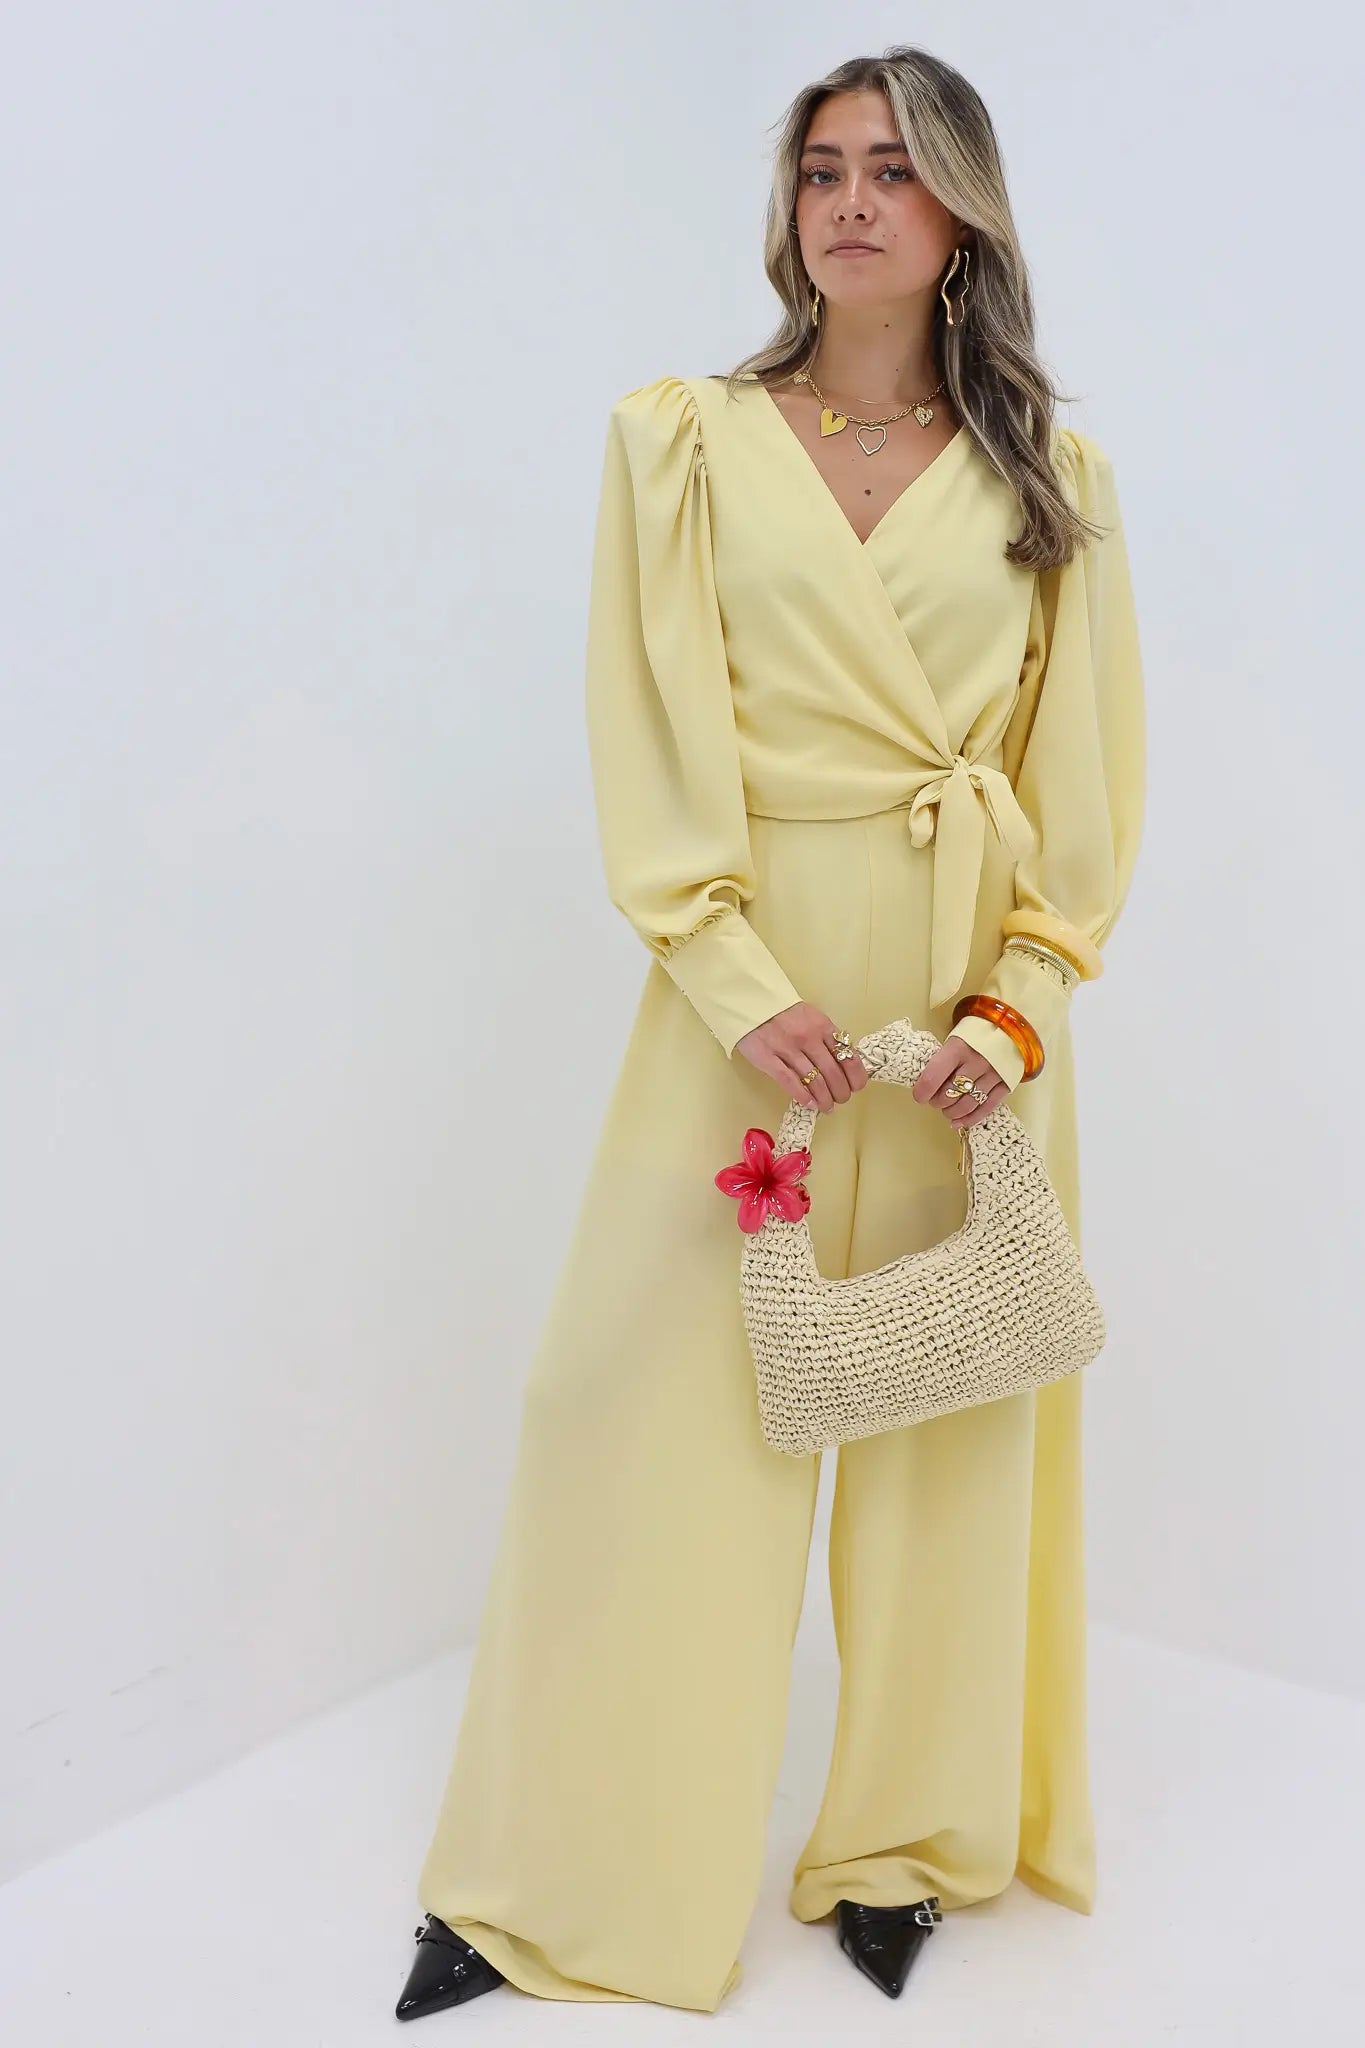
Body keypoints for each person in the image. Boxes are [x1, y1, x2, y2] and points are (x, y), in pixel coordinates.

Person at [395, 40, 1145, 2022]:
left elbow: (1080, 787)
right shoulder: (686, 443)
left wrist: (1015, 1010)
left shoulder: (1050, 481)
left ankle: (905, 1847)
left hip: (958, 1016)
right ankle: (554, 1877)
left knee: (942, 1423)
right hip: (741, 999)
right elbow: (646, 739)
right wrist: (739, 982)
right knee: (628, 1414)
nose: (850, 201)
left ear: (961, 215)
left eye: (893, 169)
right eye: (821, 169)